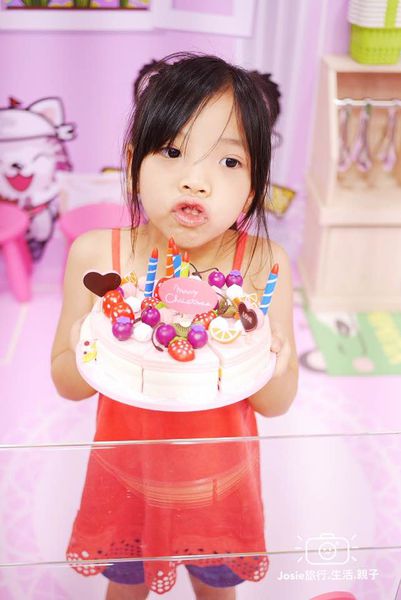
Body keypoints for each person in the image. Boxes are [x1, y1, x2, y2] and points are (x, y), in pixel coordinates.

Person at [51, 53, 298, 600]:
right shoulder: (98, 256)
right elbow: (67, 384)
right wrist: (85, 339)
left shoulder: (262, 264)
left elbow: (276, 403)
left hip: (219, 487)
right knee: (126, 592)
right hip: (127, 481)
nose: (195, 180)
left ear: (253, 188)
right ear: (132, 162)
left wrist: (272, 355)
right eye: (172, 151)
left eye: (229, 161)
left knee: (216, 591)